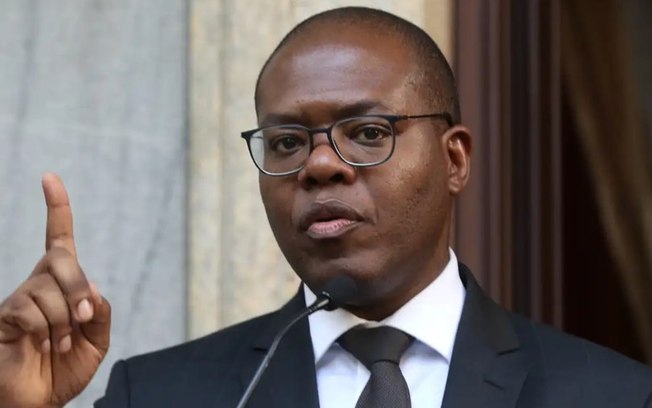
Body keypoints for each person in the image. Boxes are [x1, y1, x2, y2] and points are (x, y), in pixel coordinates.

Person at [1, 6, 651, 408]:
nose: (319, 165)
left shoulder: (612, 396)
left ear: (454, 160)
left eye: (367, 132)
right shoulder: (160, 395)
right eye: (287, 142)